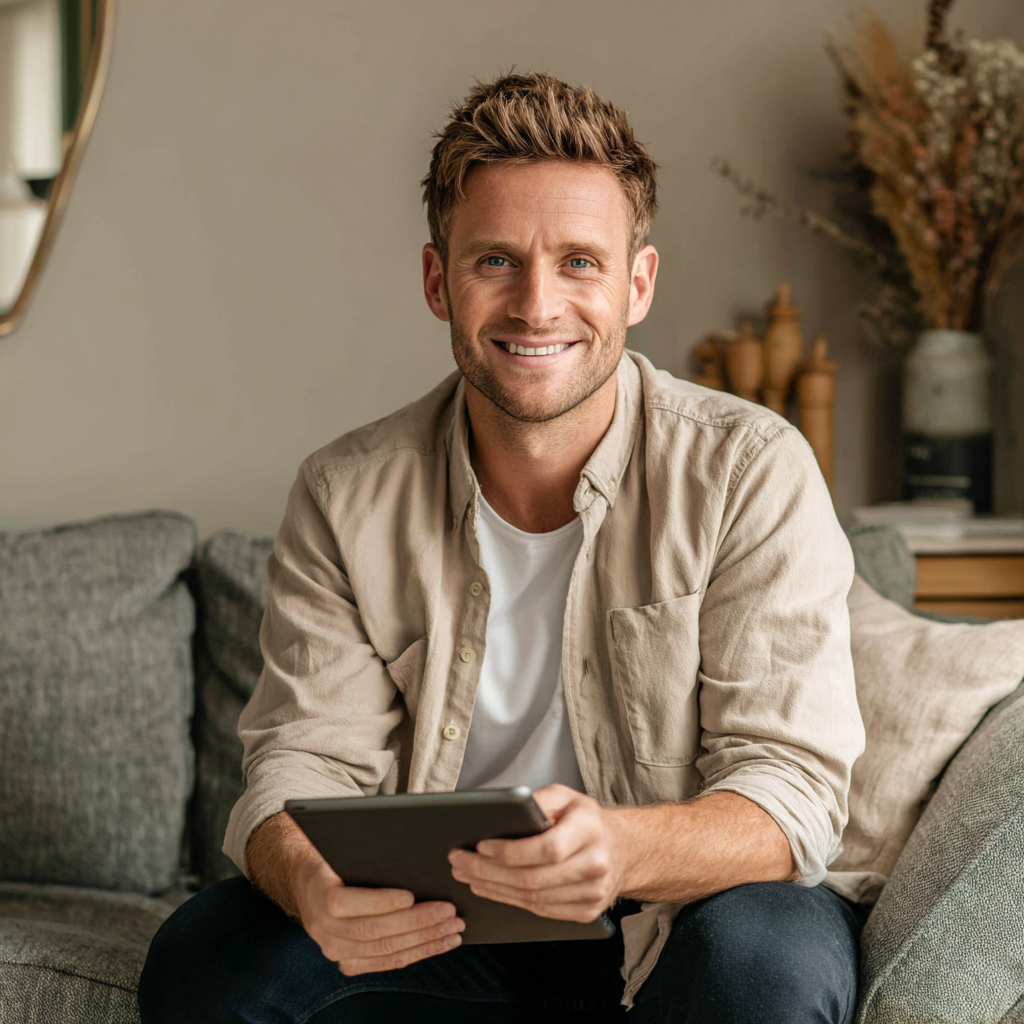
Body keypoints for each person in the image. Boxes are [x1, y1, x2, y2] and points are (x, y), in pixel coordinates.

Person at [139, 72, 866, 1024]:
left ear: (636, 285)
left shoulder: (750, 470)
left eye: (578, 263)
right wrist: (310, 881)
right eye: (495, 262)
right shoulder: (343, 493)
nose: (536, 304)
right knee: (205, 958)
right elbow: (299, 768)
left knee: (764, 967)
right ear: (438, 278)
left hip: (680, 916)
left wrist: (620, 849)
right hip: (442, 937)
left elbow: (795, 792)